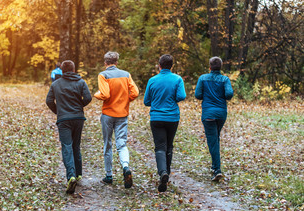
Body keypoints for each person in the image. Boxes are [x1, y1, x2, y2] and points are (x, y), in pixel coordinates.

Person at [46, 60, 92, 194]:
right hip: (78, 118)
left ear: (62, 70)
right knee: (76, 145)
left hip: (64, 119)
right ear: (73, 69)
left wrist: (58, 111)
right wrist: (78, 107)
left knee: (67, 146)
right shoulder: (81, 82)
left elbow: (49, 101)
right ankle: (78, 175)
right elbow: (88, 98)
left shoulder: (56, 84)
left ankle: (70, 176)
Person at [94, 51, 139, 188]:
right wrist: (126, 100)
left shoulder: (103, 75)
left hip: (108, 114)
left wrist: (97, 95)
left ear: (105, 63)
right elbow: (135, 93)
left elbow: (105, 94)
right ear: (117, 62)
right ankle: (125, 167)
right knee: (122, 143)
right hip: (122, 114)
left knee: (108, 143)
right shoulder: (126, 75)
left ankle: (109, 176)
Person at [144, 54, 186, 192]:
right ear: (172, 66)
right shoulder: (177, 79)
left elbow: (146, 101)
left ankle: (163, 172)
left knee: (160, 146)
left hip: (156, 117)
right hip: (172, 117)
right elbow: (181, 96)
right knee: (169, 145)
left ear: (159, 65)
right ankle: (166, 172)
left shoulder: (152, 80)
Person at [194, 56, 234, 182]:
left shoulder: (203, 78)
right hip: (221, 113)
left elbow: (198, 95)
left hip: (208, 114)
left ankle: (217, 169)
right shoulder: (225, 79)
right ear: (220, 67)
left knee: (212, 141)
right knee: (215, 138)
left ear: (210, 67)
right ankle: (213, 166)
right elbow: (229, 95)